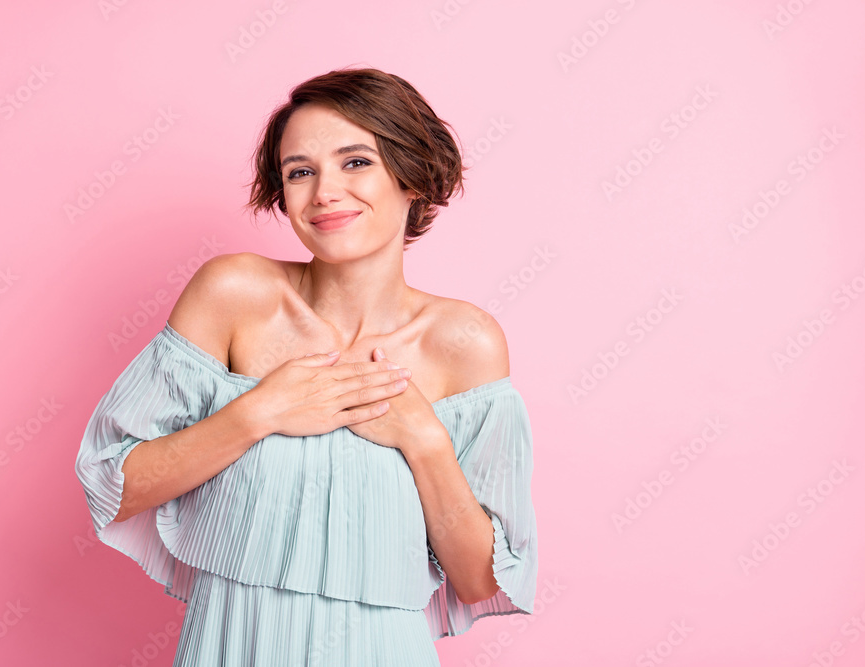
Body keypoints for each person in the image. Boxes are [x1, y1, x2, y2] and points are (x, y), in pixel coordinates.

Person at [75, 66, 538, 666]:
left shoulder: (464, 342)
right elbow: (115, 487)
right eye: (300, 172)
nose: (324, 193)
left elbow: (479, 581)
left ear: (412, 177)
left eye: (356, 162)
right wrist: (259, 412)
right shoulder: (234, 295)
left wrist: (424, 440)